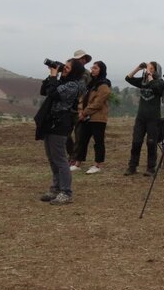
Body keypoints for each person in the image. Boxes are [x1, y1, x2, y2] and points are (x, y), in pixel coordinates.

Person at [37, 59, 87, 205]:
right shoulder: (64, 81)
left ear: (75, 70)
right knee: (52, 158)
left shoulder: (74, 85)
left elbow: (53, 93)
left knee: (60, 159)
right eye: (64, 66)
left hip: (61, 124)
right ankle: (56, 188)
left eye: (67, 67)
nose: (64, 69)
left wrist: (54, 76)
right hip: (50, 122)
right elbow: (44, 91)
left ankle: (66, 192)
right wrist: (52, 75)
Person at [124, 61, 164, 176]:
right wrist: (138, 68)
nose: (148, 70)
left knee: (151, 143)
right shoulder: (142, 82)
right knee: (136, 142)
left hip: (153, 118)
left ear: (156, 71)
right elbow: (128, 78)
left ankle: (151, 168)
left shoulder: (160, 82)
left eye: (151, 68)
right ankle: (132, 167)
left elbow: (157, 89)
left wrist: (151, 77)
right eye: (147, 68)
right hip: (141, 118)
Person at [71, 61, 111, 174]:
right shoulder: (91, 84)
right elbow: (82, 99)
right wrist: (81, 111)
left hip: (97, 118)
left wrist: (84, 113)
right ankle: (78, 163)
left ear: (101, 70)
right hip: (85, 118)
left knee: (98, 141)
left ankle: (98, 165)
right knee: (82, 140)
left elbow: (98, 103)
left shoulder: (104, 85)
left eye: (95, 68)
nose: (92, 70)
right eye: (92, 68)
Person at [68, 49, 92, 163]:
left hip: (80, 106)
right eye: (80, 59)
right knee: (65, 134)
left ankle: (74, 158)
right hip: (68, 106)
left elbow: (85, 89)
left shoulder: (86, 74)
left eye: (84, 59)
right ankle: (72, 154)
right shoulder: (69, 71)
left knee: (79, 135)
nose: (83, 61)